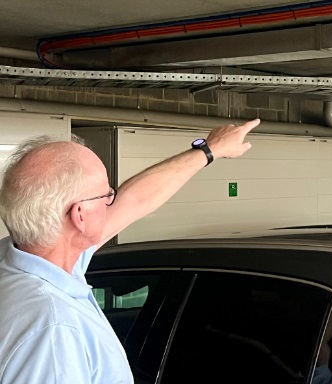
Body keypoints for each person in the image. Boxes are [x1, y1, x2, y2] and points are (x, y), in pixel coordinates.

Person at [0, 118, 260, 383]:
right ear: (80, 216)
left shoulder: (24, 256)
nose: (112, 200)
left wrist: (209, 150)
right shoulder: (53, 332)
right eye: (106, 195)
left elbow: (135, 200)